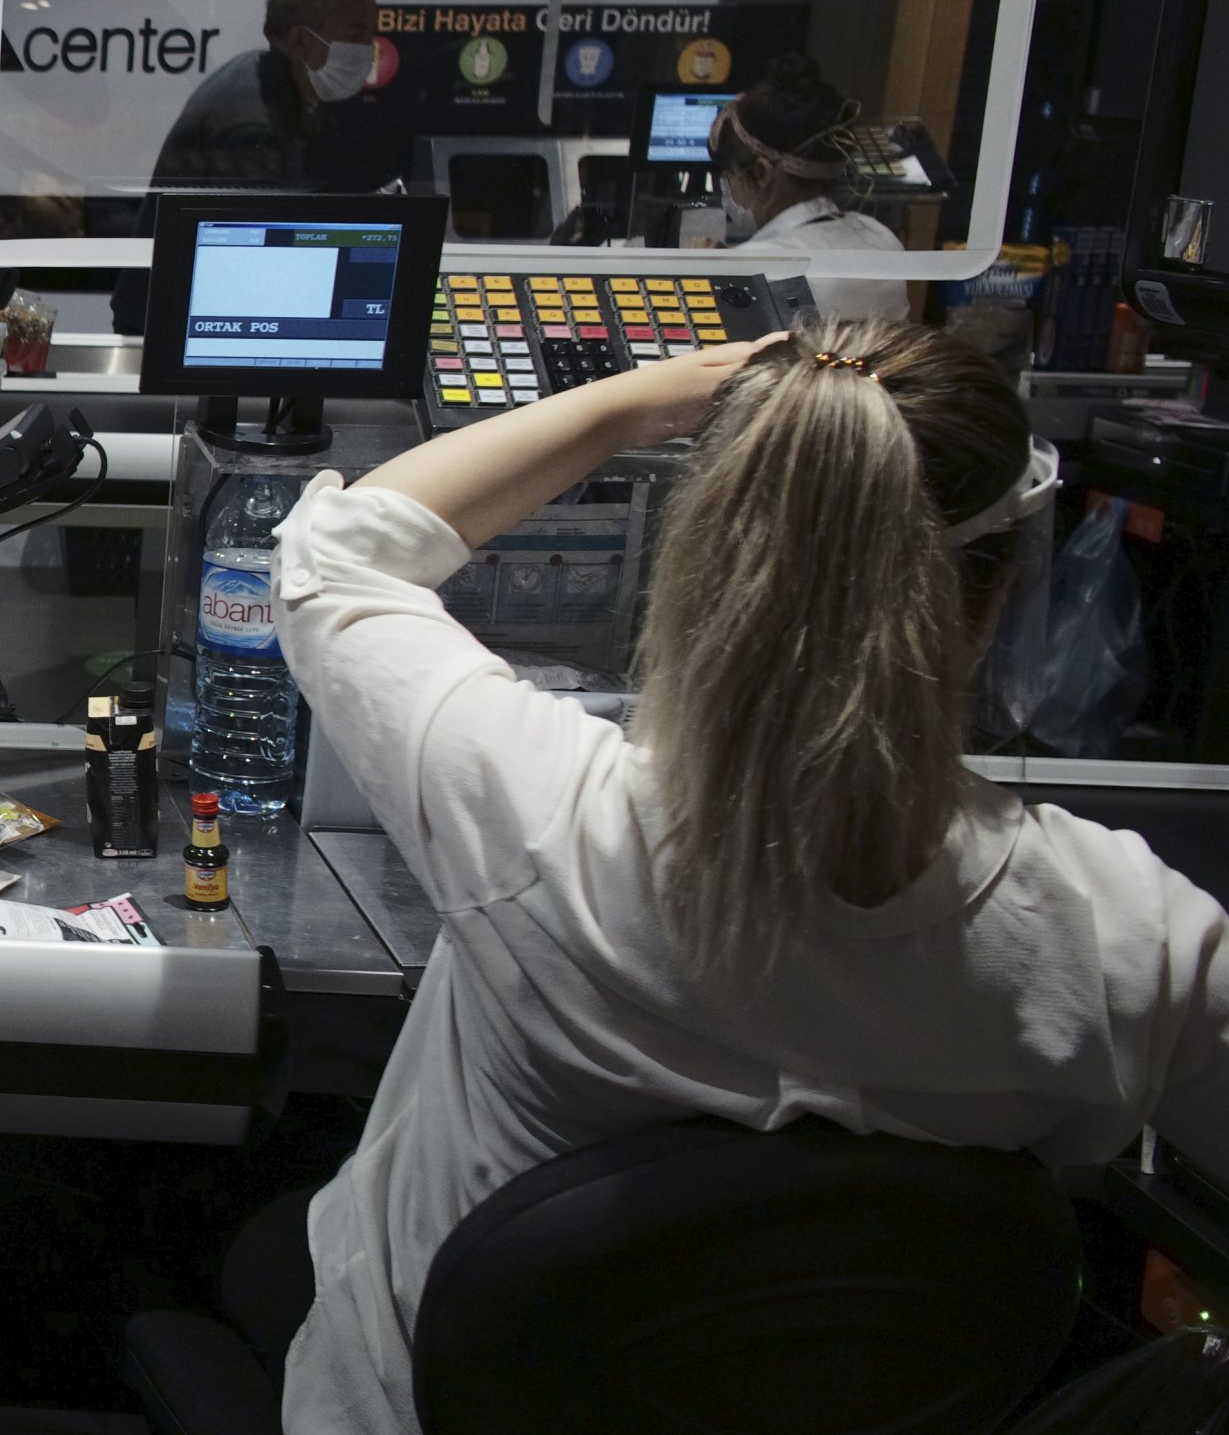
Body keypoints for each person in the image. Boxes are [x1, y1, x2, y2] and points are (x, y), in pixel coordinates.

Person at [269, 318, 1229, 1435]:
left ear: (707, 553)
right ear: (998, 593)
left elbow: (335, 554)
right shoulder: (1127, 937)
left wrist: (632, 402)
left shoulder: (547, 817)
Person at [113, 0, 397, 331]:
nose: (369, 49)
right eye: (356, 35)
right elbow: (257, 266)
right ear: (300, 40)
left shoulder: (283, 85)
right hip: (169, 331)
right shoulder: (252, 126)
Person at [715, 52, 909, 321]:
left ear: (761, 173)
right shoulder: (881, 237)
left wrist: (706, 271)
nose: (727, 190)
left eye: (731, 175)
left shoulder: (757, 268)